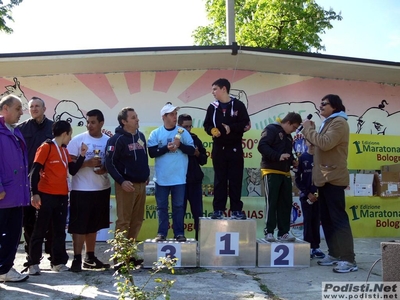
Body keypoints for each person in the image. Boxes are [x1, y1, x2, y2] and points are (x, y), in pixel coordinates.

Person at [302, 94, 357, 273]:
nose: (320, 106)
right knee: (326, 219)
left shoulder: (339, 122)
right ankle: (334, 253)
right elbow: (320, 145)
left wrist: (308, 130)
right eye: (320, 103)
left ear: (334, 106)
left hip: (334, 178)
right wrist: (310, 136)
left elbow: (325, 143)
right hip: (324, 179)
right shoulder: (329, 123)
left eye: (324, 104)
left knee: (338, 219)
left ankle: (348, 259)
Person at [28, 120, 88, 275]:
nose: (70, 138)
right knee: (40, 230)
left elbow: (73, 170)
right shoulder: (46, 147)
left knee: (59, 231)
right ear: (65, 133)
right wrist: (34, 193)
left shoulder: (64, 150)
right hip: (46, 195)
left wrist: (82, 156)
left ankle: (58, 262)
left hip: (61, 196)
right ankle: (33, 263)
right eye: (70, 134)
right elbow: (35, 171)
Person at [67, 109, 111, 272]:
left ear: (101, 123)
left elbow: (112, 163)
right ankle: (77, 258)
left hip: (101, 188)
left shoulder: (108, 140)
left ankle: (90, 257)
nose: (89, 125)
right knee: (79, 225)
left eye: (93, 122)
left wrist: (105, 168)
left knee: (94, 225)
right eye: (88, 122)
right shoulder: (78, 140)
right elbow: (70, 166)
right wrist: (86, 163)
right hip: (81, 189)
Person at [203, 78, 250, 220]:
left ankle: (236, 210)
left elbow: (245, 124)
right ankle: (218, 209)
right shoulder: (212, 107)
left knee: (235, 179)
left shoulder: (239, 105)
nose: (213, 92)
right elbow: (207, 125)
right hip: (219, 148)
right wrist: (212, 130)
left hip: (235, 147)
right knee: (219, 180)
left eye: (215, 89)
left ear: (224, 89)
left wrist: (232, 128)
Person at [148, 102, 195, 242]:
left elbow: (192, 151)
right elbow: (151, 153)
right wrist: (166, 149)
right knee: (162, 207)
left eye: (176, 114)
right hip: (162, 178)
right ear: (164, 116)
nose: (175, 117)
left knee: (179, 207)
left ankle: (179, 233)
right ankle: (161, 233)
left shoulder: (183, 132)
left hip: (179, 178)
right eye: (172, 114)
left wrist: (180, 146)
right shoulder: (156, 133)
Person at [17, 97, 54, 268]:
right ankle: (32, 259)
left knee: (51, 221)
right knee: (29, 222)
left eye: (37, 106)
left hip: (50, 181)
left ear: (44, 108)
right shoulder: (21, 129)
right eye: (31, 106)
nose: (34, 109)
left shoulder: (53, 128)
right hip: (28, 183)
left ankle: (54, 257)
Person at [105, 107, 150, 251]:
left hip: (141, 184)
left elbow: (144, 157)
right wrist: (121, 181)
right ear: (124, 121)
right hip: (126, 185)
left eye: (136, 116)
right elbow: (109, 163)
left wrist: (146, 173)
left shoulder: (141, 136)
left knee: (137, 221)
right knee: (124, 221)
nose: (137, 119)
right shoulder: (116, 139)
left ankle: (129, 254)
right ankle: (119, 256)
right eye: (133, 117)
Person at [257, 112, 302, 242]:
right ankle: (269, 232)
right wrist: (278, 156)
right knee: (272, 202)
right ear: (287, 123)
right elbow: (262, 146)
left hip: (285, 173)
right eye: (293, 127)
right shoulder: (271, 129)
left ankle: (283, 232)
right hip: (270, 171)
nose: (293, 130)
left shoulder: (288, 137)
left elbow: (287, 153)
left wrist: (292, 161)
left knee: (286, 203)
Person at [0, 95, 30, 282]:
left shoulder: (16, 132)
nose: (21, 113)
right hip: (4, 195)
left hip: (17, 194)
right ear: (5, 109)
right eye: (18, 108)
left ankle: (5, 269)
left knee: (12, 235)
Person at [178, 114, 207, 240]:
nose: (188, 129)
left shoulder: (195, 139)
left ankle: (199, 241)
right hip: (179, 182)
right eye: (185, 126)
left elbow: (204, 160)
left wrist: (197, 153)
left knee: (198, 214)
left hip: (195, 181)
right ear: (179, 126)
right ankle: (179, 238)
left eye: (190, 126)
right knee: (179, 213)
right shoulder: (174, 139)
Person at [294, 139, 325, 259]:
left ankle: (316, 248)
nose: (311, 144)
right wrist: (307, 194)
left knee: (316, 221)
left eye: (313, 141)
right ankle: (308, 247)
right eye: (309, 141)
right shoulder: (302, 158)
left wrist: (317, 193)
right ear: (306, 143)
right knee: (307, 221)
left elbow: (325, 176)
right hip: (306, 197)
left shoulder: (321, 157)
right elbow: (297, 179)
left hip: (318, 196)